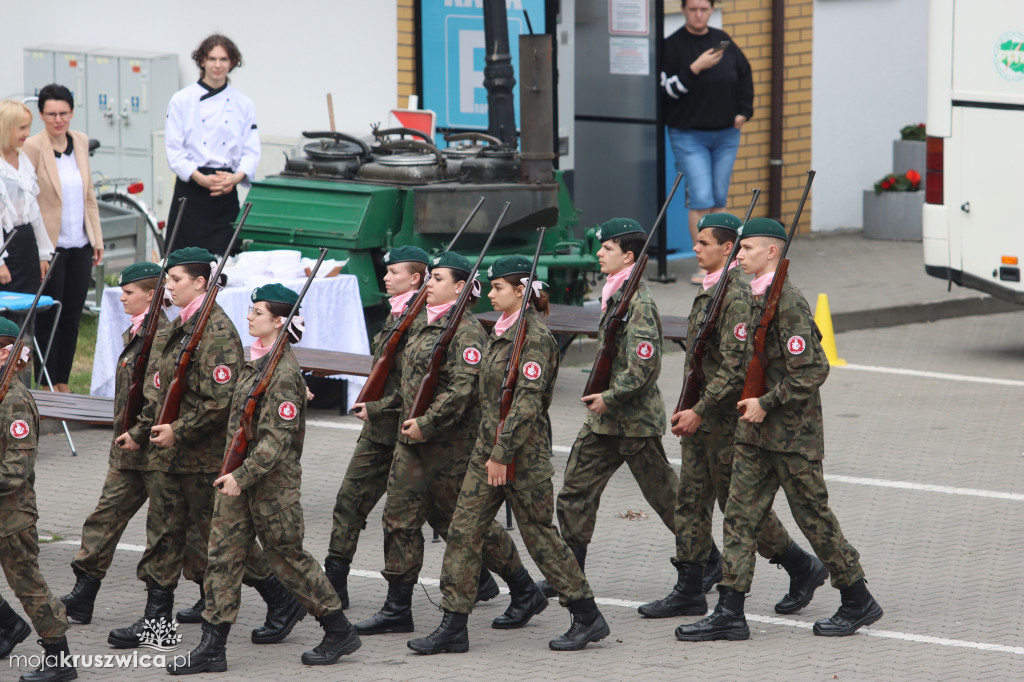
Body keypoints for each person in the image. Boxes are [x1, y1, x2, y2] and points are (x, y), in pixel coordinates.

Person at [675, 218, 883, 641]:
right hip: (754, 435)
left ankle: (858, 598)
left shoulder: (787, 301)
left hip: (791, 438)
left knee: (813, 519)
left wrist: (765, 402)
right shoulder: (752, 298)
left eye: (748, 248)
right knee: (739, 518)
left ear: (772, 252)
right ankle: (730, 611)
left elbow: (813, 369)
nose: (740, 255)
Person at [408, 255, 609, 655]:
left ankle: (587, 615)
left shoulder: (533, 338)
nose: (491, 292)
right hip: (489, 451)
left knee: (539, 536)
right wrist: (489, 452)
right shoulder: (500, 332)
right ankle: (453, 625)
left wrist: (501, 454)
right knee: (464, 532)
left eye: (499, 286)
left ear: (521, 291)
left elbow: (526, 406)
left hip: (522, 455)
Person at [636, 214, 826, 627]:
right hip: (701, 418)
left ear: (727, 248)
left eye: (705, 242)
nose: (696, 248)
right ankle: (689, 588)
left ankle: (800, 565)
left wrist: (700, 409)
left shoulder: (738, 294)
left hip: (723, 421)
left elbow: (736, 368)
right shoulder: (711, 290)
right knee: (691, 502)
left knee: (740, 511)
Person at [108, 248, 301, 650]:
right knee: (162, 537)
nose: (169, 287)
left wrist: (178, 430)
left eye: (176, 279)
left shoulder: (215, 331)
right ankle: (157, 623)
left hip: (198, 460)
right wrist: (143, 431)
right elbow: (160, 389)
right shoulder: (182, 324)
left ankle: (282, 598)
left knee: (223, 541)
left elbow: (219, 400)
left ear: (199, 282)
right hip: (168, 457)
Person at [168, 284, 360, 674]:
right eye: (252, 310)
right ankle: (212, 646)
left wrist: (242, 476)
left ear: (279, 322)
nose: (250, 317)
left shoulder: (283, 373)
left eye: (258, 312)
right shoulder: (256, 361)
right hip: (237, 479)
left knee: (288, 558)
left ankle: (339, 629)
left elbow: (275, 442)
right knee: (222, 558)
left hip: (271, 486)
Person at [355, 251, 531, 636]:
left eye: (437, 278)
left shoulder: (467, 332)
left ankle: (523, 587)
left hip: (448, 447)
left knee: (467, 526)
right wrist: (383, 409)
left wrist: (427, 423)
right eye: (429, 277)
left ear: (460, 287)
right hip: (411, 442)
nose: (429, 284)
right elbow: (409, 387)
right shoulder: (422, 324)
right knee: (398, 519)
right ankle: (398, 607)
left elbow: (463, 390)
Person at [538, 218, 679, 598]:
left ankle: (704, 563)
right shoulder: (614, 293)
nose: (598, 253)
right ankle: (569, 571)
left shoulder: (639, 303)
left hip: (633, 422)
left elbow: (644, 368)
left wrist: (609, 397)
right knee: (574, 493)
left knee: (668, 501)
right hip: (604, 421)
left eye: (607, 249)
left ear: (628, 256)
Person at [59, 263, 166, 625]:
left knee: (186, 538)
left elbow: (158, 396)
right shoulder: (138, 331)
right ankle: (83, 595)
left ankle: (275, 593)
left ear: (152, 295)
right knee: (104, 519)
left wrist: (137, 434)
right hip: (130, 453)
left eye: (130, 292)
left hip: (156, 453)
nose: (122, 297)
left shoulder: (161, 335)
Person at [324, 246, 429, 607]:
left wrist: (377, 407)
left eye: (394, 272)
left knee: (441, 514)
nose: (385, 277)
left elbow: (415, 388)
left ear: (416, 278)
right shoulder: (397, 313)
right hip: (379, 430)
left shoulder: (423, 320)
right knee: (349, 502)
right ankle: (334, 583)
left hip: (404, 430)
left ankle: (512, 583)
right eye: (386, 271)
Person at [0, 317, 78, 681]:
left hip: (10, 515)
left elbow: (16, 469)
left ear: (6, 353)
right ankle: (7, 627)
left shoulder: (15, 402)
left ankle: (58, 658)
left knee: (28, 585)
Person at [661, 0, 753, 284]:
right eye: (693, 9)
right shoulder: (672, 45)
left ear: (712, 9)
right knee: (700, 197)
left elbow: (745, 74)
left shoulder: (723, 41)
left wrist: (744, 112)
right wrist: (696, 67)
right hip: (689, 134)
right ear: (684, 10)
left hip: (726, 133)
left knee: (718, 198)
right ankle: (704, 266)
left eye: (704, 9)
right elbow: (668, 90)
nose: (698, 14)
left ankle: (720, 264)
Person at [23, 84, 104, 392]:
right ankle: (43, 382)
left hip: (80, 244)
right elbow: (30, 201)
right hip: (51, 247)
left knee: (71, 317)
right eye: (51, 114)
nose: (58, 120)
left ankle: (62, 381)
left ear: (72, 113)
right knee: (48, 318)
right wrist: (40, 253)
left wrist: (96, 238)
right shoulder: (33, 146)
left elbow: (89, 195)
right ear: (42, 115)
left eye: (64, 113)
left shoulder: (80, 141)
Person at [164, 34, 259, 255]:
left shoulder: (244, 103)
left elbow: (251, 150)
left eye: (224, 59)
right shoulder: (181, 100)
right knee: (182, 264)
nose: (218, 65)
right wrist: (200, 178)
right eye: (212, 58)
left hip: (225, 192)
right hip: (191, 191)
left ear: (232, 63)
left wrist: (235, 178)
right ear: (202, 61)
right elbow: (174, 150)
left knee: (225, 265)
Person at [0, 100, 54, 294]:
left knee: (30, 306)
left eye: (29, 127)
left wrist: (43, 253)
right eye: (22, 128)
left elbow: (34, 210)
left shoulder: (21, 157)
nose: (27, 133)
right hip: (6, 242)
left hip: (26, 240)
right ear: (6, 128)